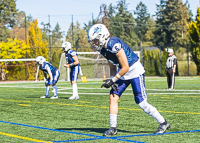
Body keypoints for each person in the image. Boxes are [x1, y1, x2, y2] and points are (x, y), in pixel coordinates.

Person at [87, 24, 170, 136]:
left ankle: (163, 122)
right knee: (113, 96)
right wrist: (113, 79)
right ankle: (113, 128)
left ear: (102, 36)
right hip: (123, 73)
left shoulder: (113, 44)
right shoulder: (103, 49)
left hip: (134, 70)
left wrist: (113, 80)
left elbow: (125, 66)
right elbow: (112, 66)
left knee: (141, 102)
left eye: (95, 40)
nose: (94, 43)